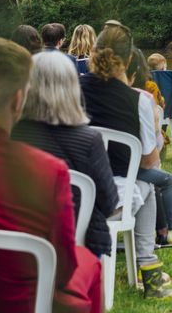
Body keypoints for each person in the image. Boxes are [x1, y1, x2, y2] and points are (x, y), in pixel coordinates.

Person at [0, 38, 102, 312]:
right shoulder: (48, 171)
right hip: (20, 302)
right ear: (18, 100)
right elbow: (63, 268)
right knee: (89, 263)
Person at [80, 20, 172, 298]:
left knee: (143, 182)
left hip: (74, 190)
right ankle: (149, 269)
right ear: (130, 59)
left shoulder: (73, 87)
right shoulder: (140, 101)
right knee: (149, 182)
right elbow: (148, 161)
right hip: (114, 196)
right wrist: (157, 132)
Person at [11, 51, 118, 258]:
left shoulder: (8, 135)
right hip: (77, 244)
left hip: (14, 244)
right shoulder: (90, 140)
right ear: (72, 88)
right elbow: (109, 203)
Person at [126, 48, 172, 250]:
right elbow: (150, 159)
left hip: (102, 167)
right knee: (161, 178)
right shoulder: (145, 96)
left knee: (152, 178)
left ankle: (163, 234)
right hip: (129, 166)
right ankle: (168, 231)